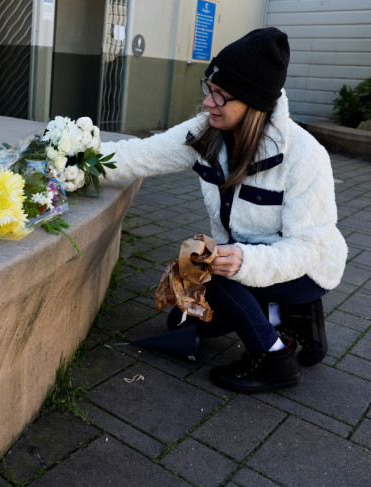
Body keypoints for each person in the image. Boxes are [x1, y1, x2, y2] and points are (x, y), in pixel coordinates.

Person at [100, 27, 347, 393]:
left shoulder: (305, 156)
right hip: (240, 258)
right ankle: (283, 315)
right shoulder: (207, 133)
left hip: (303, 269)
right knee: (181, 322)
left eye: (221, 96)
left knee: (212, 271)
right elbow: (141, 155)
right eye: (208, 88)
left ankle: (275, 357)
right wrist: (79, 158)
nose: (207, 103)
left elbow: (309, 248)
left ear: (254, 103)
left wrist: (245, 262)